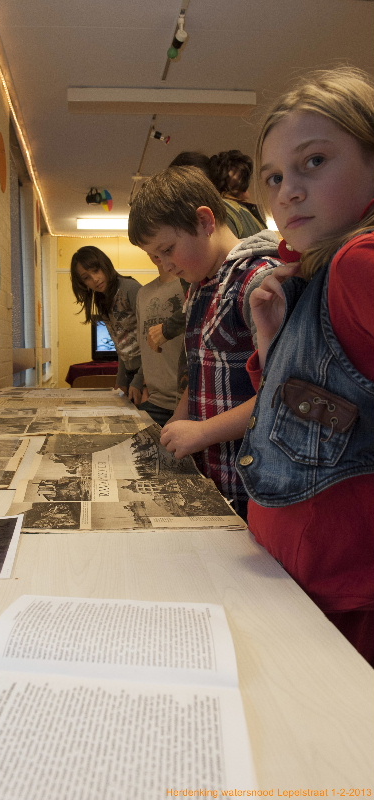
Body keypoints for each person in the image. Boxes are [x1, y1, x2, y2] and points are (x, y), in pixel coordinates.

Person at [236, 66, 374, 666]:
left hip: (348, 599)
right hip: (301, 589)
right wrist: (271, 338)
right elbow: (313, 412)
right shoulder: (318, 278)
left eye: (313, 161)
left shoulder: (356, 263)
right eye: (273, 176)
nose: (286, 190)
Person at [128, 165, 282, 518]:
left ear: (205, 221)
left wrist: (201, 432)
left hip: (251, 484)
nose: (165, 266)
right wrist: (175, 427)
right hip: (215, 478)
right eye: (154, 257)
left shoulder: (257, 282)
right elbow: (201, 376)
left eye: (168, 249)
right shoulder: (200, 288)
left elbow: (282, 393)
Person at [145, 150, 266, 356]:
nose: (167, 265)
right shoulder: (246, 212)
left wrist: (168, 331)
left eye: (168, 249)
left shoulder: (213, 222)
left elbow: (199, 309)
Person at [70, 246, 142, 402]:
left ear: (105, 265)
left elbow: (151, 341)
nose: (94, 279)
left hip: (148, 374)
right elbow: (120, 344)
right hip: (130, 373)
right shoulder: (102, 300)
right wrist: (121, 381)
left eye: (96, 270)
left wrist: (139, 380)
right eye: (86, 277)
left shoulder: (130, 288)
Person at [135, 258, 187, 426]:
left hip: (188, 404)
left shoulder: (190, 286)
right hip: (155, 401)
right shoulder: (143, 293)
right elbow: (144, 346)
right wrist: (142, 384)